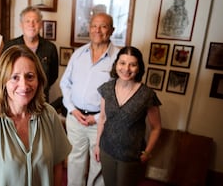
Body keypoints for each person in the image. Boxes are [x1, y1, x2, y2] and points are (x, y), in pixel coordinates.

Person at [0, 45, 71, 186]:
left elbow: (57, 166)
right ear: (3, 81)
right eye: (14, 77)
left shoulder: (50, 115)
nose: (24, 85)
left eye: (30, 76)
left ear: (39, 79)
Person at [60, 13, 119, 186]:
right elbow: (65, 83)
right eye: (94, 26)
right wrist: (72, 109)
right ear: (89, 28)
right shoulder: (79, 54)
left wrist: (99, 116)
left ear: (112, 30)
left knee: (98, 162)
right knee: (74, 161)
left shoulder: (118, 58)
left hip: (101, 122)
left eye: (103, 26)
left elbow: (120, 96)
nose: (97, 30)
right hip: (75, 118)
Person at [95, 46, 162, 186]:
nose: (126, 69)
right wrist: (97, 145)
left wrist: (148, 152)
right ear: (116, 64)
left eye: (132, 64)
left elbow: (156, 128)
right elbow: (102, 118)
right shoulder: (106, 88)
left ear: (139, 68)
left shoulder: (147, 95)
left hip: (130, 156)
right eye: (122, 63)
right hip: (106, 150)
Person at [4, 6, 58, 102]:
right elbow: (4, 74)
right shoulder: (10, 47)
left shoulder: (50, 48)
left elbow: (53, 76)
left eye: (35, 21)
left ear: (40, 25)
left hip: (41, 100)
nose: (31, 25)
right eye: (27, 21)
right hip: (15, 100)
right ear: (21, 25)